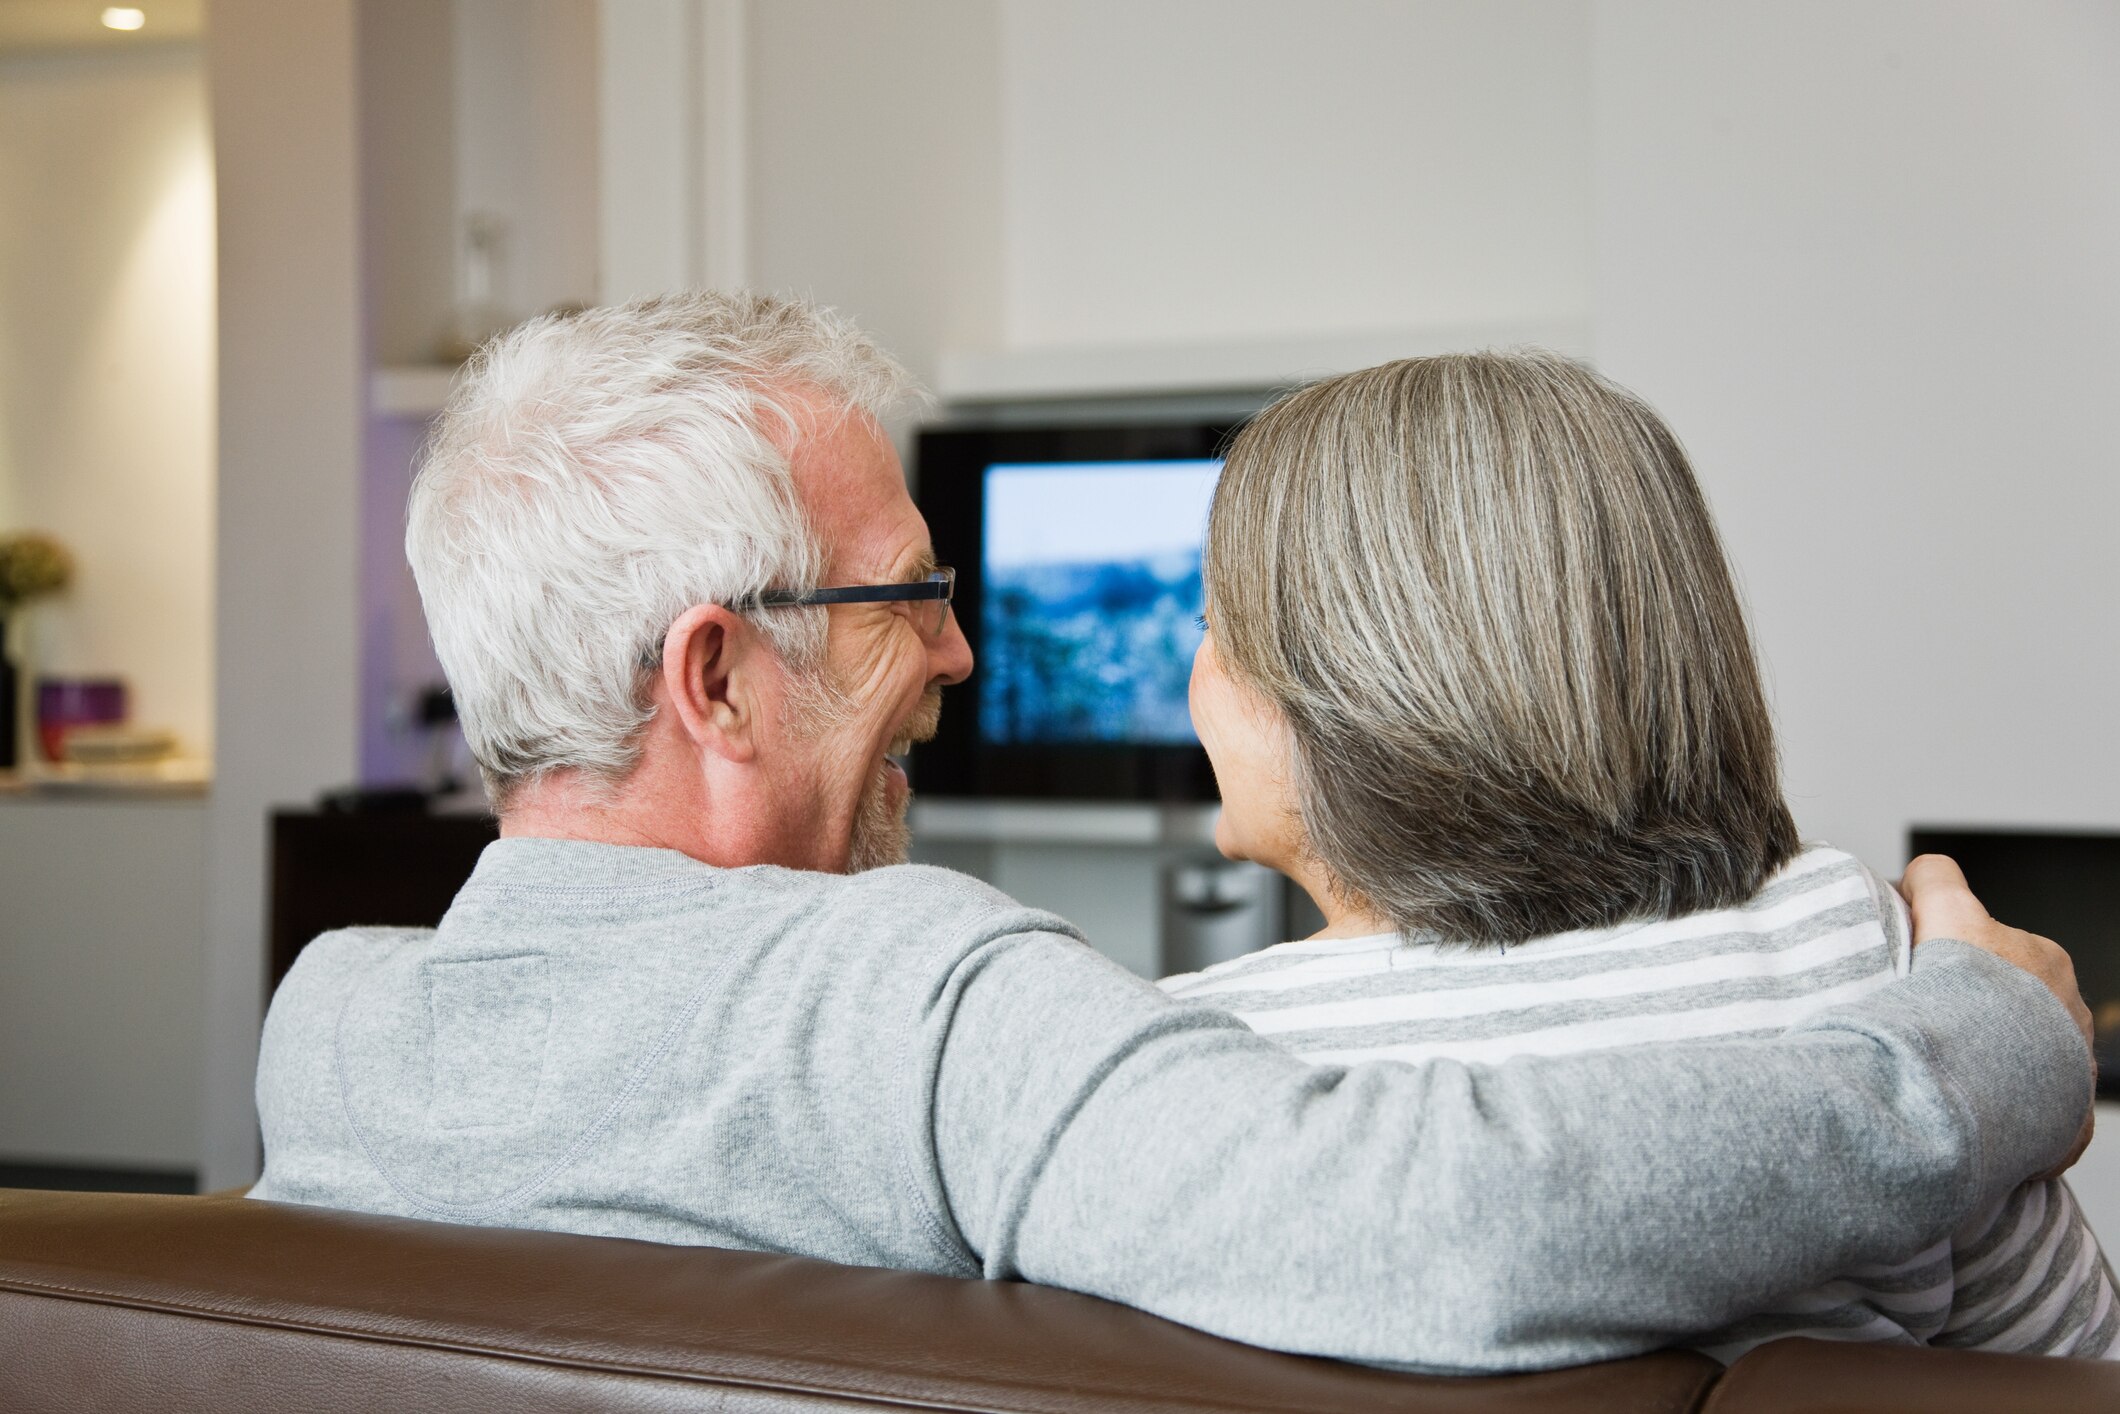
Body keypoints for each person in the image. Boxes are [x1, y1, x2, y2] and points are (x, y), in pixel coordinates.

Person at [251, 292, 2094, 1373]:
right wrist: (1985, 1036)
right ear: (716, 680)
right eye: (910, 593)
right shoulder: (932, 1011)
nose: (966, 646)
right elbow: (1441, 1220)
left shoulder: (327, 1039)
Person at [1164, 349, 2116, 1360]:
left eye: (1216, 629)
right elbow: (2069, 1361)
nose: (1199, 670)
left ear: (1352, 693)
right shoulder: (1850, 951)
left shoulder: (1188, 1059)